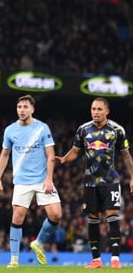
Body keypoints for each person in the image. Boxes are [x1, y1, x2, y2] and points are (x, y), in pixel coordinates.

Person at [55, 97, 133, 269]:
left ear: (107, 111)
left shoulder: (117, 130)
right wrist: (63, 159)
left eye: (99, 109)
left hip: (110, 180)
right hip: (90, 182)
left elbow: (126, 155)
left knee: (112, 217)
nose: (95, 112)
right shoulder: (83, 130)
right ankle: (96, 260)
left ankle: (115, 260)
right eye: (93, 109)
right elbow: (75, 152)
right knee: (93, 220)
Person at [0, 94, 62, 268]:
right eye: (19, 107)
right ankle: (14, 260)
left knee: (56, 214)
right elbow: (4, 155)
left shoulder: (42, 128)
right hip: (22, 181)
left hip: (42, 179)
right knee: (17, 218)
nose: (22, 110)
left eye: (25, 107)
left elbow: (50, 155)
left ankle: (38, 243)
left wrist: (49, 179)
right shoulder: (10, 130)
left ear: (32, 109)